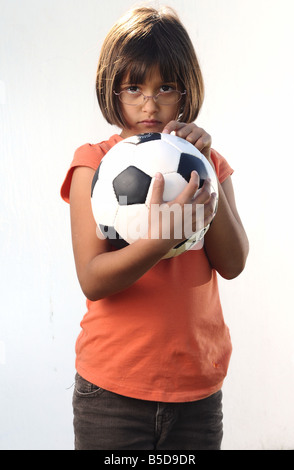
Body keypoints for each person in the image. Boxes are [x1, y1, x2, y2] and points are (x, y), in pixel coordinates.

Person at [61, 6, 249, 450]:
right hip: (112, 390)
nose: (150, 103)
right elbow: (92, 278)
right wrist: (162, 238)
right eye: (134, 87)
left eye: (165, 86)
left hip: (196, 389)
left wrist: (202, 166)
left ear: (185, 91)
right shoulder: (94, 163)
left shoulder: (207, 161)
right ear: (113, 89)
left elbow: (235, 262)